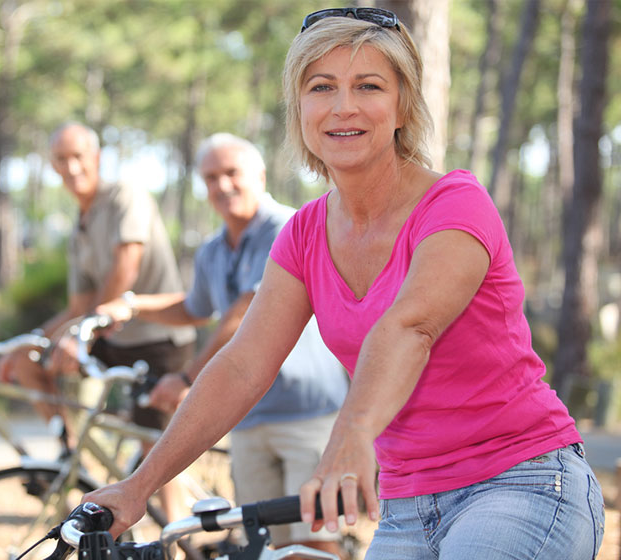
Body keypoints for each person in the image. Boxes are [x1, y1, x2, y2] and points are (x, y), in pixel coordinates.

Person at [81, 8, 605, 559]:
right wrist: (139, 485)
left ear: (403, 105)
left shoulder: (454, 204)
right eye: (321, 87)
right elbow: (243, 364)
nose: (343, 106)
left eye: (369, 86)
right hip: (407, 505)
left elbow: (411, 326)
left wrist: (351, 434)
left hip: (521, 481)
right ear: (300, 108)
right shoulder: (303, 234)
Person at [95, 132, 348, 554]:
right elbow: (195, 308)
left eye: (232, 173)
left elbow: (243, 315)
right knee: (262, 545)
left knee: (312, 544)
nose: (222, 185)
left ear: (260, 175)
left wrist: (184, 377)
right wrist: (133, 304)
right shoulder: (213, 249)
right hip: (247, 418)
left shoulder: (287, 227)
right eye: (211, 178)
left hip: (309, 413)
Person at [0, 122, 196, 518]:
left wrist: (83, 336)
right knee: (28, 362)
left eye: (78, 157)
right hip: (111, 337)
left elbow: (126, 268)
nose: (71, 168)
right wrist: (28, 342)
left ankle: (179, 541)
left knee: (156, 450)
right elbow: (77, 306)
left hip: (158, 338)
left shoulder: (126, 197)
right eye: (61, 160)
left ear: (97, 158)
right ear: (52, 166)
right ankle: (72, 453)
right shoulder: (79, 226)